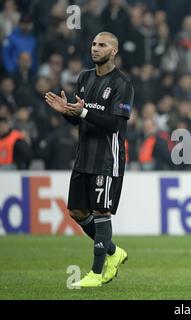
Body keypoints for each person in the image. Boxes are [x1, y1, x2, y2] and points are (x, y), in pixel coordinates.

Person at [44, 32, 134, 287]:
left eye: (102, 45)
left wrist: (82, 111)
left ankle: (96, 272)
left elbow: (116, 124)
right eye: (94, 44)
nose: (95, 48)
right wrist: (66, 112)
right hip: (84, 154)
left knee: (101, 211)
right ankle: (115, 252)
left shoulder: (122, 84)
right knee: (76, 211)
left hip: (107, 157)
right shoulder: (84, 77)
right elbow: (78, 116)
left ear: (114, 51)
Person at [0, 104, 32, 170]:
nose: (2, 128)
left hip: (14, 168)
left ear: (7, 125)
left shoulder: (17, 138)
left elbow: (27, 155)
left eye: (3, 125)